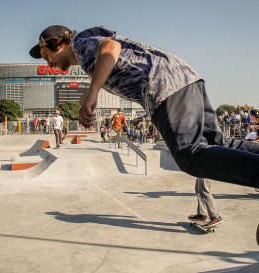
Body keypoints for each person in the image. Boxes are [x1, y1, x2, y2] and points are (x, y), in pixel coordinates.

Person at [29, 25, 259, 241]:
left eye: (45, 55)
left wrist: (92, 93)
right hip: (185, 77)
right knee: (216, 141)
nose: (48, 62)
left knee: (190, 154)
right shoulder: (87, 48)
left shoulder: (79, 43)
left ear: (57, 44)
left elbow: (111, 46)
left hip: (163, 86)